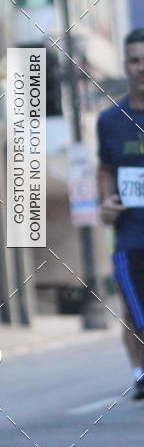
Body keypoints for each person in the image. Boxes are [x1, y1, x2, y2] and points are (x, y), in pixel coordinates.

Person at [97, 28, 144, 400]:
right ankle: (140, 372)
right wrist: (106, 202)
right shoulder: (110, 121)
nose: (141, 67)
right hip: (131, 235)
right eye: (134, 60)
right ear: (126, 65)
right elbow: (105, 169)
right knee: (133, 309)